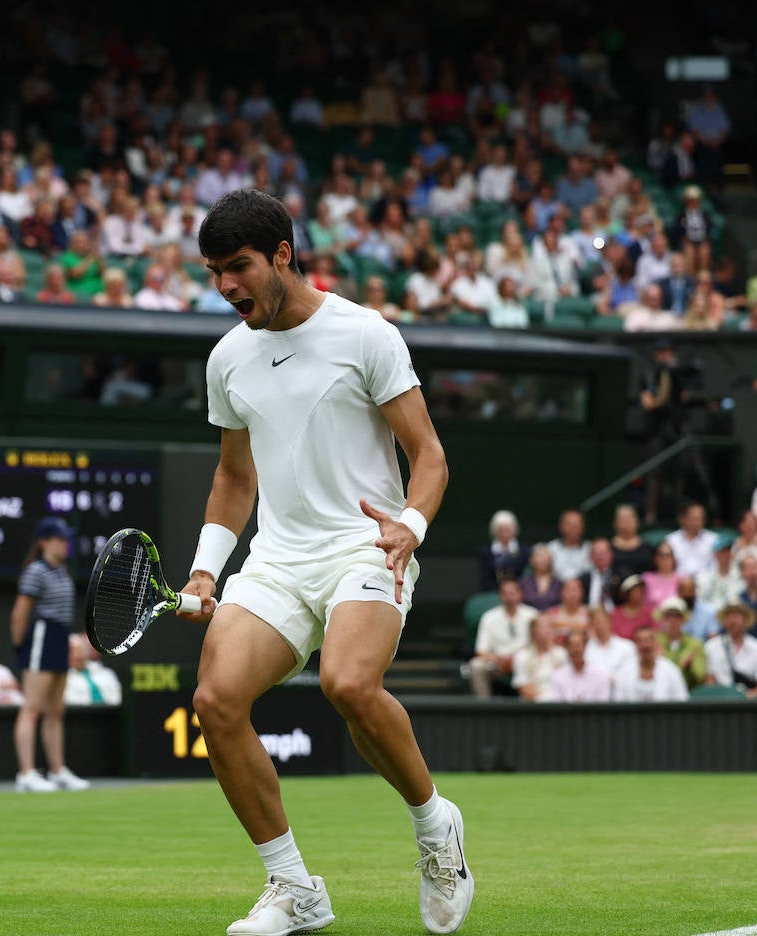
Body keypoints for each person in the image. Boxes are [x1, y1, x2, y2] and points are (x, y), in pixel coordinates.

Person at [180, 189, 471, 935]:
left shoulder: (366, 334)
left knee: (347, 682)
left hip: (364, 545)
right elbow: (234, 479)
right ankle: (292, 888)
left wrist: (410, 524)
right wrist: (208, 568)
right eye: (214, 272)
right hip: (276, 560)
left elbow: (429, 456)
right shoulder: (227, 358)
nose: (227, 287)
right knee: (215, 701)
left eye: (239, 267)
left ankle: (437, 828)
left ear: (283, 254)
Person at [10, 517, 92, 793]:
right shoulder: (36, 571)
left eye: (67, 539)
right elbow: (20, 612)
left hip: (59, 638)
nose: (65, 544)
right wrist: (20, 645)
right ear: (44, 541)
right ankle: (26, 774)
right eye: (60, 539)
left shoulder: (61, 571)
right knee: (32, 707)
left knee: (56, 709)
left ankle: (57, 771)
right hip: (42, 637)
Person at [470, 578, 537, 699]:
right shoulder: (489, 617)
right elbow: (481, 650)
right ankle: (484, 709)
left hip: (527, 660)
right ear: (500, 596)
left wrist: (515, 658)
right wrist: (498, 659)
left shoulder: (532, 615)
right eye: (505, 593)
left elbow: (539, 644)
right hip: (498, 663)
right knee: (476, 666)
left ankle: (534, 706)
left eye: (512, 593)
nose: (509, 597)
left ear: (520, 594)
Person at [704, 604, 757, 698]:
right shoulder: (711, 646)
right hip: (720, 702)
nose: (733, 620)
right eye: (729, 616)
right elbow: (710, 682)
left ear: (746, 620)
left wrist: (748, 698)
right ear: (724, 621)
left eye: (737, 616)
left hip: (749, 703)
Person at [613, 624, 689, 702]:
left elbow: (682, 701)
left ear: (655, 643)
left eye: (648, 640)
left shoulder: (672, 670)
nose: (645, 646)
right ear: (635, 645)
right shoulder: (623, 673)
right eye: (640, 641)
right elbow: (619, 704)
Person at [654, 598, 707, 689]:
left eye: (677, 616)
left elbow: (700, 677)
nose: (672, 621)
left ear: (683, 620)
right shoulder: (653, 642)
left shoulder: (695, 644)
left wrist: (689, 669)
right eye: (668, 616)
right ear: (662, 619)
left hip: (688, 695)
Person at [512, 617, 567, 702]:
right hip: (533, 706)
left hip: (559, 704)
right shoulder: (522, 656)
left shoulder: (562, 654)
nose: (548, 630)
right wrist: (544, 697)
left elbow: (568, 685)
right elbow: (524, 688)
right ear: (533, 631)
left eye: (550, 627)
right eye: (544, 627)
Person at [550, 631, 612, 702]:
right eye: (571, 646)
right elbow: (557, 704)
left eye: (578, 645)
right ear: (566, 648)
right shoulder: (557, 675)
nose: (575, 650)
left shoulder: (600, 675)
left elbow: (603, 704)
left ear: (585, 647)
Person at [64, 633, 123, 706]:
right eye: (72, 651)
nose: (77, 655)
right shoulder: (61, 677)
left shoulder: (107, 673)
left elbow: (117, 698)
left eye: (81, 650)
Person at [586, 605, 639, 682]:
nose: (600, 625)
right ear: (591, 625)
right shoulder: (586, 649)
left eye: (603, 621)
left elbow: (632, 673)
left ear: (610, 621)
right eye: (596, 622)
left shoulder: (628, 647)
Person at [476, 509, 525, 592]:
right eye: (501, 528)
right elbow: (485, 578)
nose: (504, 532)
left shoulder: (524, 551)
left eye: (508, 528)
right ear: (495, 530)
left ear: (514, 529)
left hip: (519, 593)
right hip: (492, 593)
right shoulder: (486, 552)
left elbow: (525, 576)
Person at [665, 502, 717, 578]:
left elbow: (716, 566)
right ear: (683, 519)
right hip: (678, 584)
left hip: (707, 583)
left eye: (700, 519)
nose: (697, 522)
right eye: (694, 518)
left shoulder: (713, 539)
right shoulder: (671, 540)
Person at [609, 504, 654, 580]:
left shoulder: (647, 547)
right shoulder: (608, 547)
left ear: (636, 521)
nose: (626, 523)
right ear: (615, 523)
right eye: (623, 519)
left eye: (629, 518)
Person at [547, 508, 591, 583]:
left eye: (577, 524)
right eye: (569, 524)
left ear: (583, 527)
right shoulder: (550, 549)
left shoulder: (591, 549)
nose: (573, 527)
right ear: (560, 526)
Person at [543, 578, 591, 642]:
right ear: (561, 593)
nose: (571, 594)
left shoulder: (589, 614)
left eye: (574, 590)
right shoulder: (551, 614)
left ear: (581, 592)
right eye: (568, 590)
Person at [518, 543, 562, 612]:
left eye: (546, 557)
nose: (543, 560)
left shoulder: (559, 583)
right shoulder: (523, 583)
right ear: (531, 560)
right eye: (540, 556)